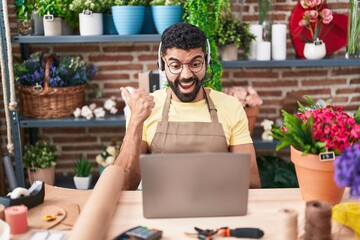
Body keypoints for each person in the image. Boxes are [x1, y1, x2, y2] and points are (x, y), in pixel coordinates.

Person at [115, 22, 261, 190]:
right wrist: (135, 122)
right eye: (175, 65)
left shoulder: (231, 106)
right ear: (162, 64)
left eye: (195, 64)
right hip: (161, 213)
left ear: (207, 61)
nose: (186, 75)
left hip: (217, 211)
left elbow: (251, 183)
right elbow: (125, 185)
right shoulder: (147, 109)